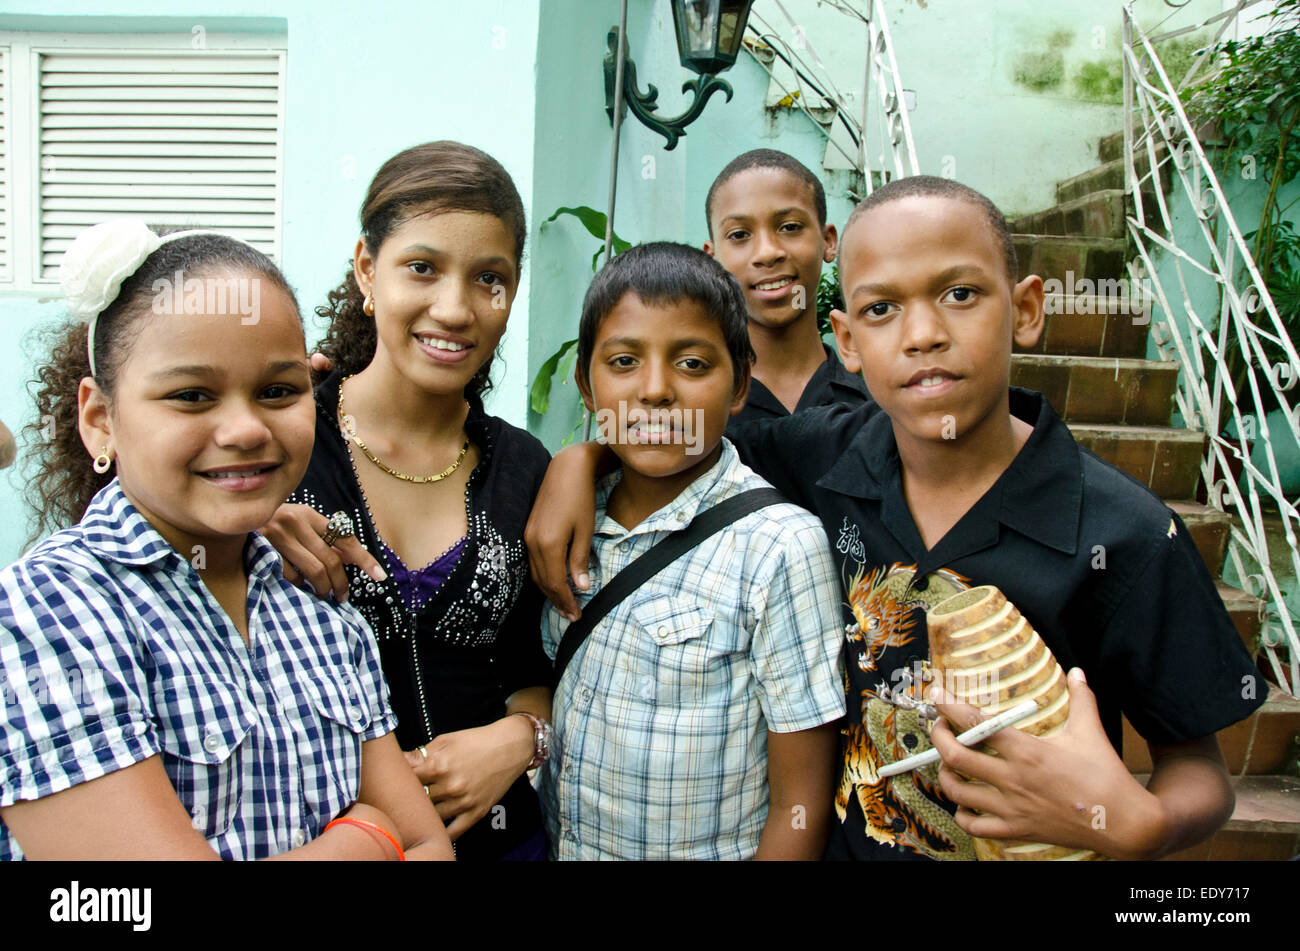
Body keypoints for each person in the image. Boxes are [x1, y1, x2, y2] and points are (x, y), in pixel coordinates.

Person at [525, 177, 1265, 862]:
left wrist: (1133, 821)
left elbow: (1200, 770)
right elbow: (674, 440)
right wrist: (578, 463)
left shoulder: (1124, 533)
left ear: (1029, 308)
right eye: (881, 309)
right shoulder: (821, 455)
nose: (922, 335)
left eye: (961, 294)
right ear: (847, 340)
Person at [1, 221, 452, 860]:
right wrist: (369, 838)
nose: (244, 429)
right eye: (192, 396)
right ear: (101, 420)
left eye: (277, 391)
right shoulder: (50, 610)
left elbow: (431, 844)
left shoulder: (319, 604)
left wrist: (398, 835)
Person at [262, 142, 554, 861]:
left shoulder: (525, 467)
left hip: (503, 843)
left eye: (489, 277)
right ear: (368, 268)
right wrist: (241, 519)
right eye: (422, 267)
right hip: (324, 844)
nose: (454, 309)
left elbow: (537, 666)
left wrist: (520, 739)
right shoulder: (277, 449)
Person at [539, 241, 845, 860]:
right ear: (587, 386)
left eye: (693, 365)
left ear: (739, 386)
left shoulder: (780, 548)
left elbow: (801, 804)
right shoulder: (564, 520)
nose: (655, 391)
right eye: (623, 361)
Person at [703, 149, 871, 424]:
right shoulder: (698, 416)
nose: (768, 253)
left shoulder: (877, 411)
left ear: (828, 241)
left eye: (790, 227)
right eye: (739, 234)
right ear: (712, 259)